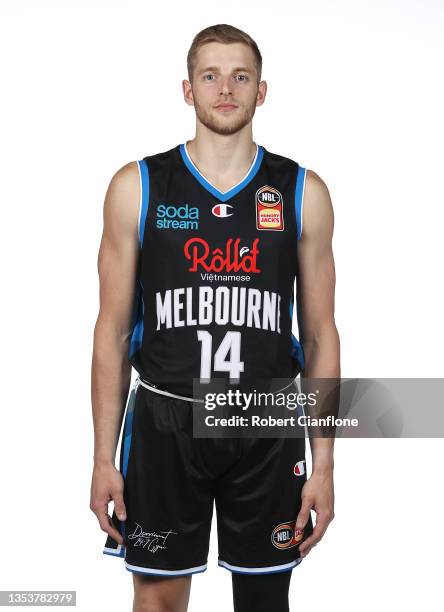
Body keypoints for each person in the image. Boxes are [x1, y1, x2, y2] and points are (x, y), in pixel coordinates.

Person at [90, 23, 340, 612]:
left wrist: (324, 462)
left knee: (264, 600)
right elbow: (112, 331)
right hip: (164, 422)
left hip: (266, 423)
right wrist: (103, 458)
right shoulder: (138, 186)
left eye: (240, 76)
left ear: (261, 91)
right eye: (210, 76)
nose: (225, 88)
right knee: (157, 601)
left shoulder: (302, 191)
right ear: (188, 89)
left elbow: (321, 334)